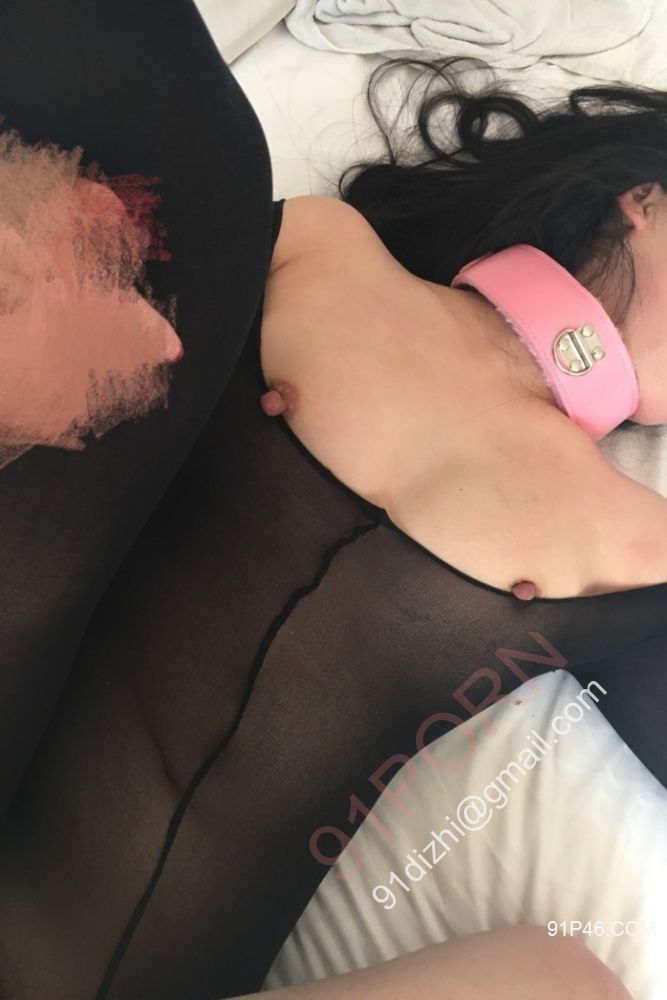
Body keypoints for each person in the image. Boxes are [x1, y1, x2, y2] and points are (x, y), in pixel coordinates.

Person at [0, 5, 662, 999]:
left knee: (565, 981)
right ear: (644, 200)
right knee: (174, 115)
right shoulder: (322, 245)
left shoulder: (646, 542)